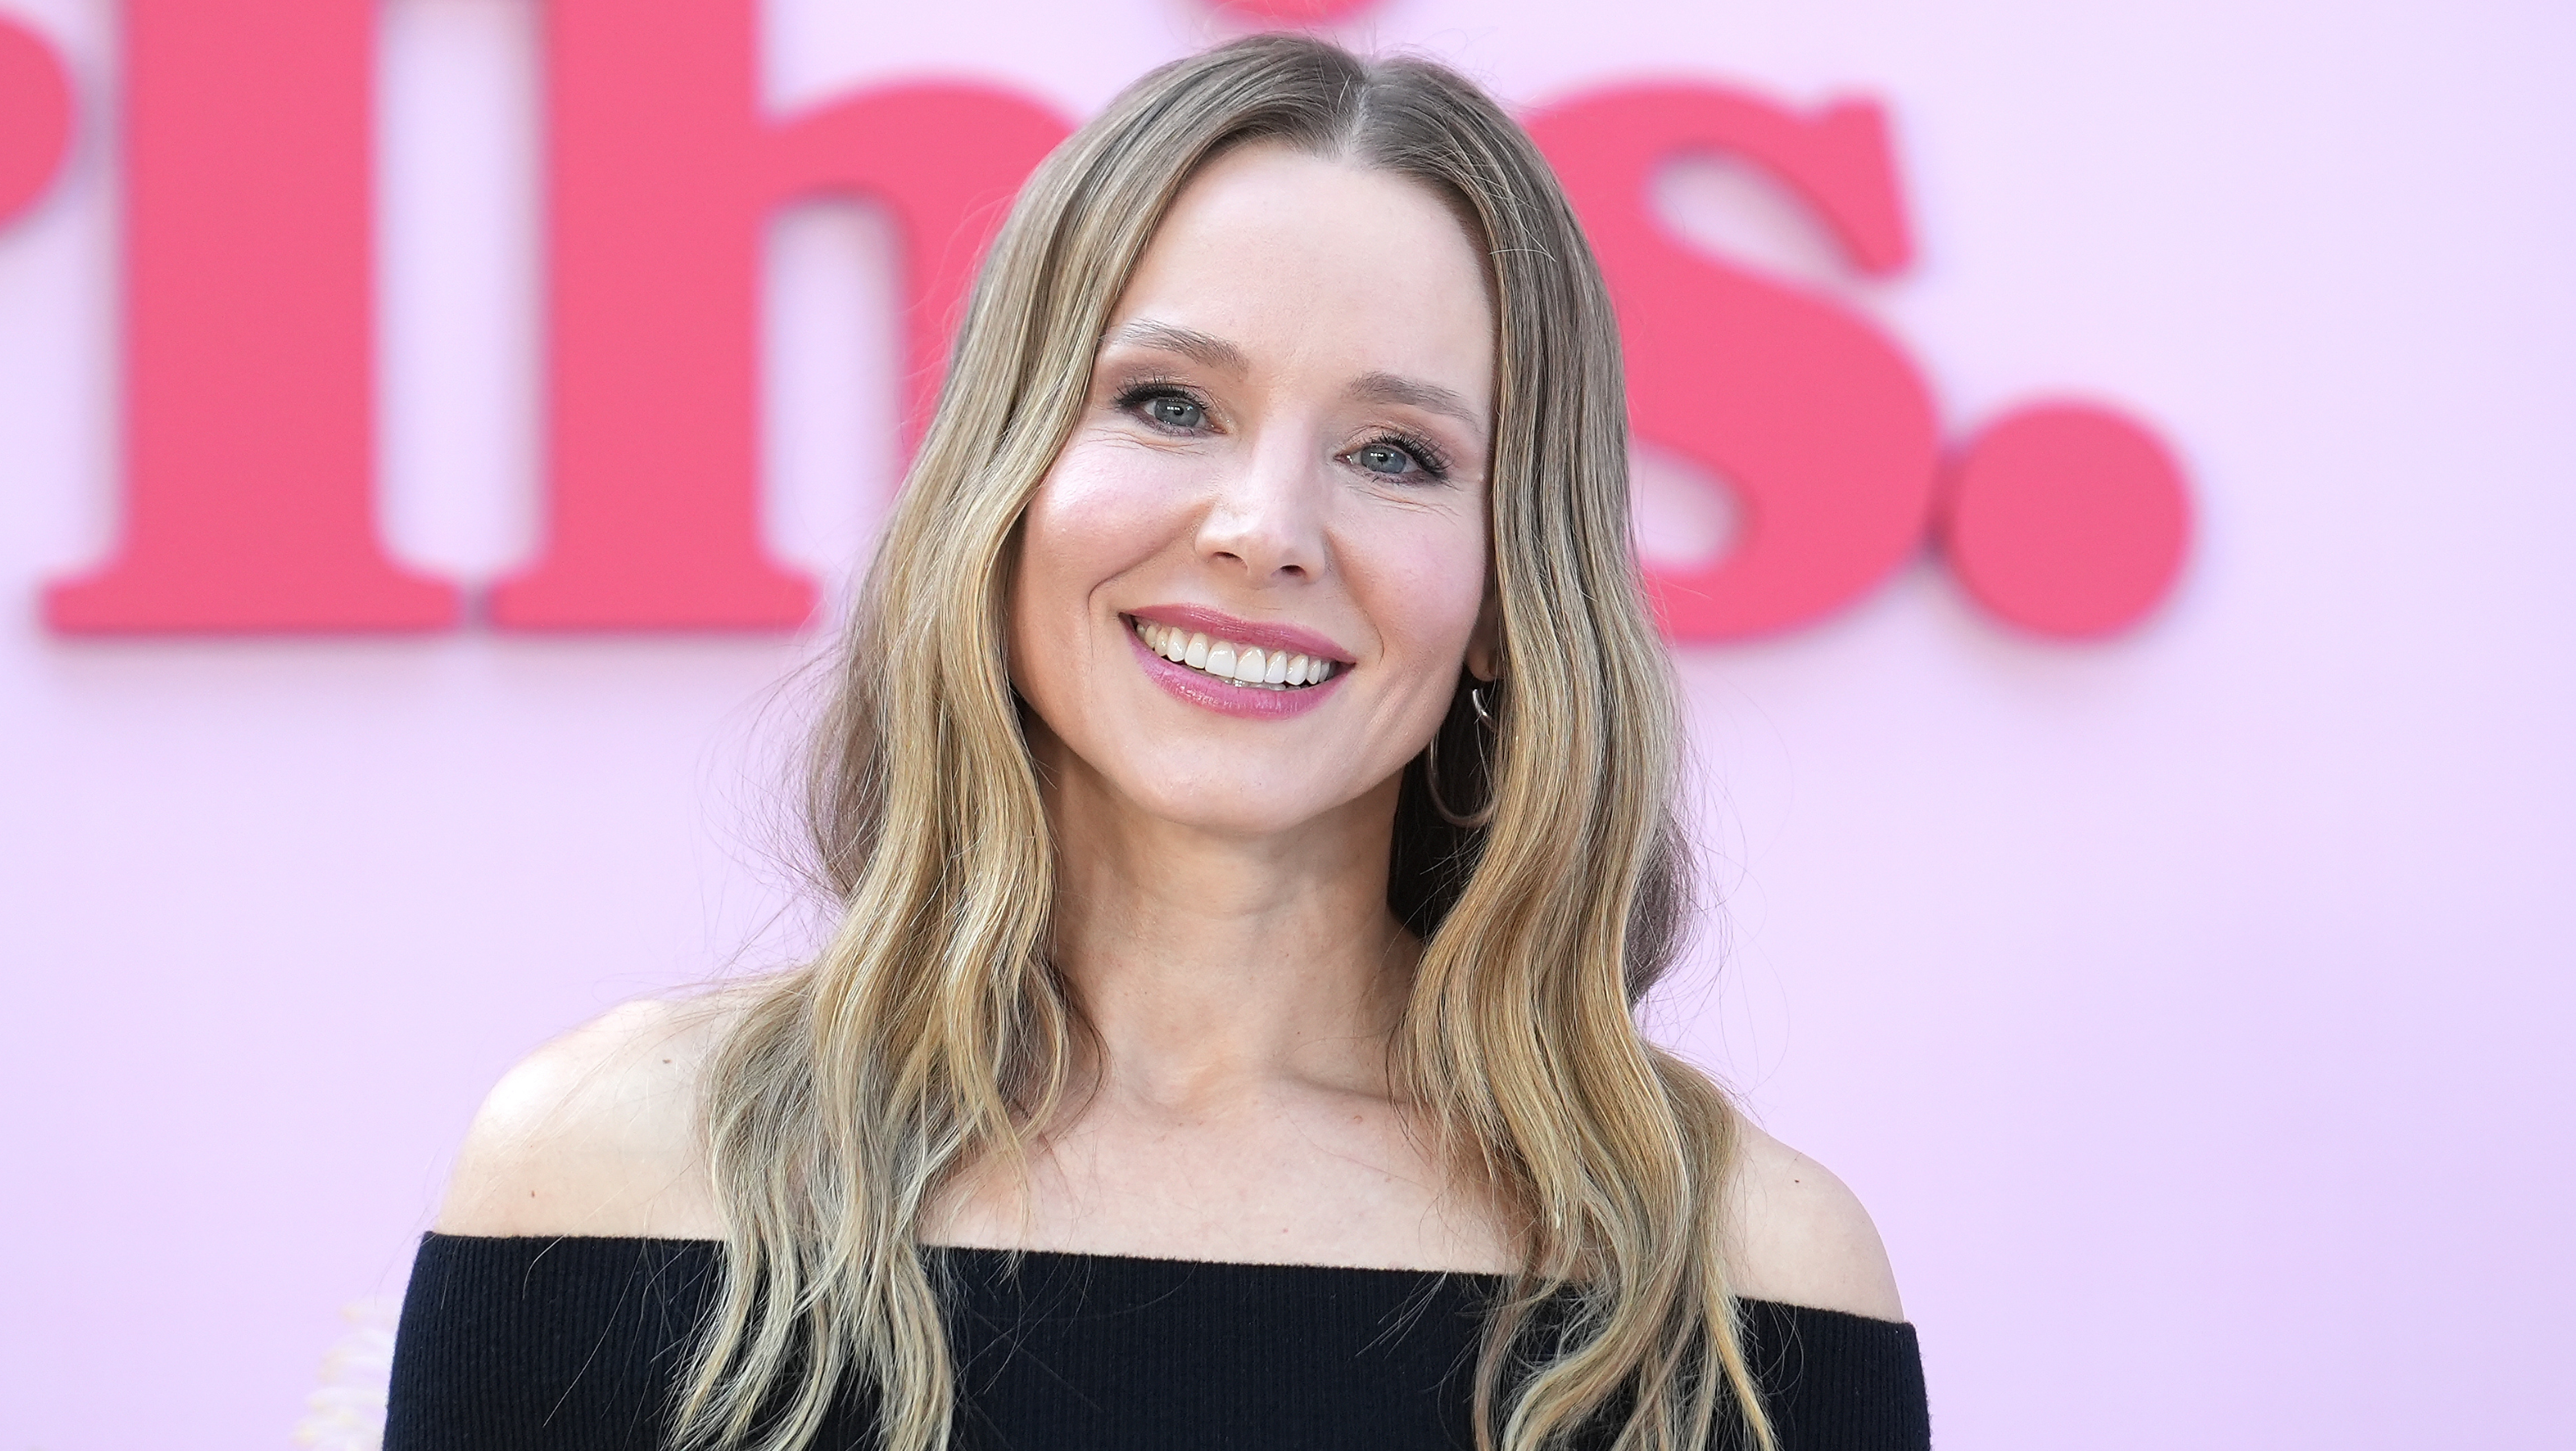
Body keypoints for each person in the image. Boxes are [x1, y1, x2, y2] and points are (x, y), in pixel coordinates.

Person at [384, 33, 1928, 1451]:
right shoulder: (611, 1174)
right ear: (1007, 482)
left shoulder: (1744, 1293)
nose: (1266, 530)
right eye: (1170, 405)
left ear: (1514, 590)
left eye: (1397, 453)